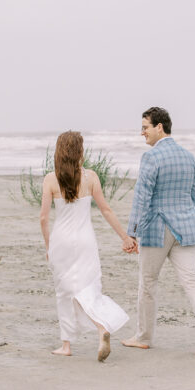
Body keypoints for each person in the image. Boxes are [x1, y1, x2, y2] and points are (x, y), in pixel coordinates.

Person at [121, 107, 195, 356]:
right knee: (192, 281)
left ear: (159, 127)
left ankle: (143, 337)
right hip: (186, 226)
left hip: (158, 228)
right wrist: (185, 214)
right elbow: (193, 194)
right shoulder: (188, 156)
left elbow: (142, 198)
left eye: (145, 127)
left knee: (148, 282)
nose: (142, 133)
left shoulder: (151, 157)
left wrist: (131, 232)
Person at [40, 131, 137, 361]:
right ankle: (101, 327)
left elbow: (44, 218)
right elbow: (106, 210)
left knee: (65, 292)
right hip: (85, 241)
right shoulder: (91, 177)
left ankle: (66, 345)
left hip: (60, 242)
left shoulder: (50, 179)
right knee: (89, 287)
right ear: (80, 152)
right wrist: (125, 237)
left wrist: (48, 246)